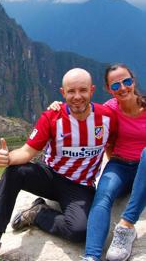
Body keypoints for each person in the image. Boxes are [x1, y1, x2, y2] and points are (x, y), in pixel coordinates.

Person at [0, 68, 116, 256]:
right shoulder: (52, 117)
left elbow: (113, 147)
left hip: (80, 186)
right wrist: (8, 158)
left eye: (82, 90)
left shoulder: (107, 118)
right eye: (71, 91)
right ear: (62, 93)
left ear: (92, 90)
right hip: (50, 176)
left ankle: (38, 214)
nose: (77, 96)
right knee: (15, 171)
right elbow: (27, 152)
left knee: (79, 231)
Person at [47, 64, 146, 261]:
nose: (123, 88)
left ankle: (126, 226)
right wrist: (57, 107)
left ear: (133, 81)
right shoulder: (109, 109)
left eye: (126, 81)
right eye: (115, 85)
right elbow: (80, 111)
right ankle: (91, 256)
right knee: (103, 196)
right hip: (120, 165)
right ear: (109, 90)